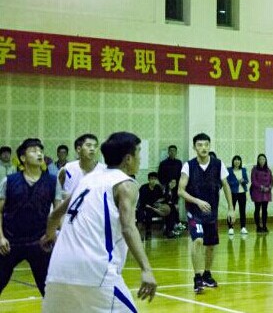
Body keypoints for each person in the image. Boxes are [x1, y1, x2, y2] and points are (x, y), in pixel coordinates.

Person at [41, 132, 157, 311]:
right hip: (96, 271)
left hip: (58, 271)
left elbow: (54, 215)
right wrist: (146, 269)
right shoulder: (126, 184)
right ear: (128, 159)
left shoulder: (87, 179)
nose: (140, 158)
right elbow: (128, 228)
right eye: (138, 152)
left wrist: (49, 235)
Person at [0, 138, 59, 297]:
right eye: (33, 151)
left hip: (40, 242)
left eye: (41, 151)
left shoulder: (53, 181)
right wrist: (1, 237)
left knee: (49, 289)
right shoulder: (9, 181)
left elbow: (57, 212)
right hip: (10, 242)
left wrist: (52, 234)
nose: (39, 154)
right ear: (23, 158)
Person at [178, 133, 235, 294]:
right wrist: (197, 201)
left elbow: (226, 186)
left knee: (210, 245)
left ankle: (207, 274)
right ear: (194, 147)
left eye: (206, 145)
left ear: (209, 146)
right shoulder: (188, 166)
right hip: (194, 212)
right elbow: (180, 191)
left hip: (211, 213)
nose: (203, 148)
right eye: (199, 145)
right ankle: (197, 277)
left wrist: (231, 208)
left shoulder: (218, 164)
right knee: (198, 241)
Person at [58, 133, 103, 200]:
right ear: (78, 149)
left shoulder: (104, 171)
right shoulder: (67, 169)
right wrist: (69, 196)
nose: (92, 149)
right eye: (88, 145)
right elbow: (55, 193)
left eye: (95, 146)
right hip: (71, 206)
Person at [137, 172, 171, 240]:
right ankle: (141, 232)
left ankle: (167, 230)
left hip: (154, 206)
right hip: (144, 205)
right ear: (148, 179)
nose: (153, 180)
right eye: (151, 179)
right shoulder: (143, 187)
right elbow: (140, 199)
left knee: (168, 209)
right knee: (144, 213)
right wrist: (148, 205)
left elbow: (162, 198)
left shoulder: (158, 187)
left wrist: (166, 192)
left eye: (155, 179)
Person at [226, 155, 249, 235]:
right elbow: (227, 181)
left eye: (238, 160)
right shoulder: (229, 170)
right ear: (233, 161)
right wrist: (236, 182)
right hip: (233, 192)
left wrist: (243, 181)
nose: (237, 161)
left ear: (240, 162)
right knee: (231, 210)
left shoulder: (243, 170)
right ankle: (230, 228)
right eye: (235, 160)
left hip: (242, 192)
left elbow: (247, 181)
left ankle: (243, 227)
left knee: (242, 210)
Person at [250, 153, 273, 233]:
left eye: (263, 159)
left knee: (265, 210)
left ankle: (264, 226)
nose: (262, 161)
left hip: (266, 193)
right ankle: (258, 226)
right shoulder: (255, 169)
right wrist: (261, 187)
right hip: (257, 192)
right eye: (260, 159)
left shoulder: (268, 170)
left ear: (265, 160)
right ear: (258, 160)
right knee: (257, 209)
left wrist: (269, 187)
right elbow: (253, 181)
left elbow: (272, 181)